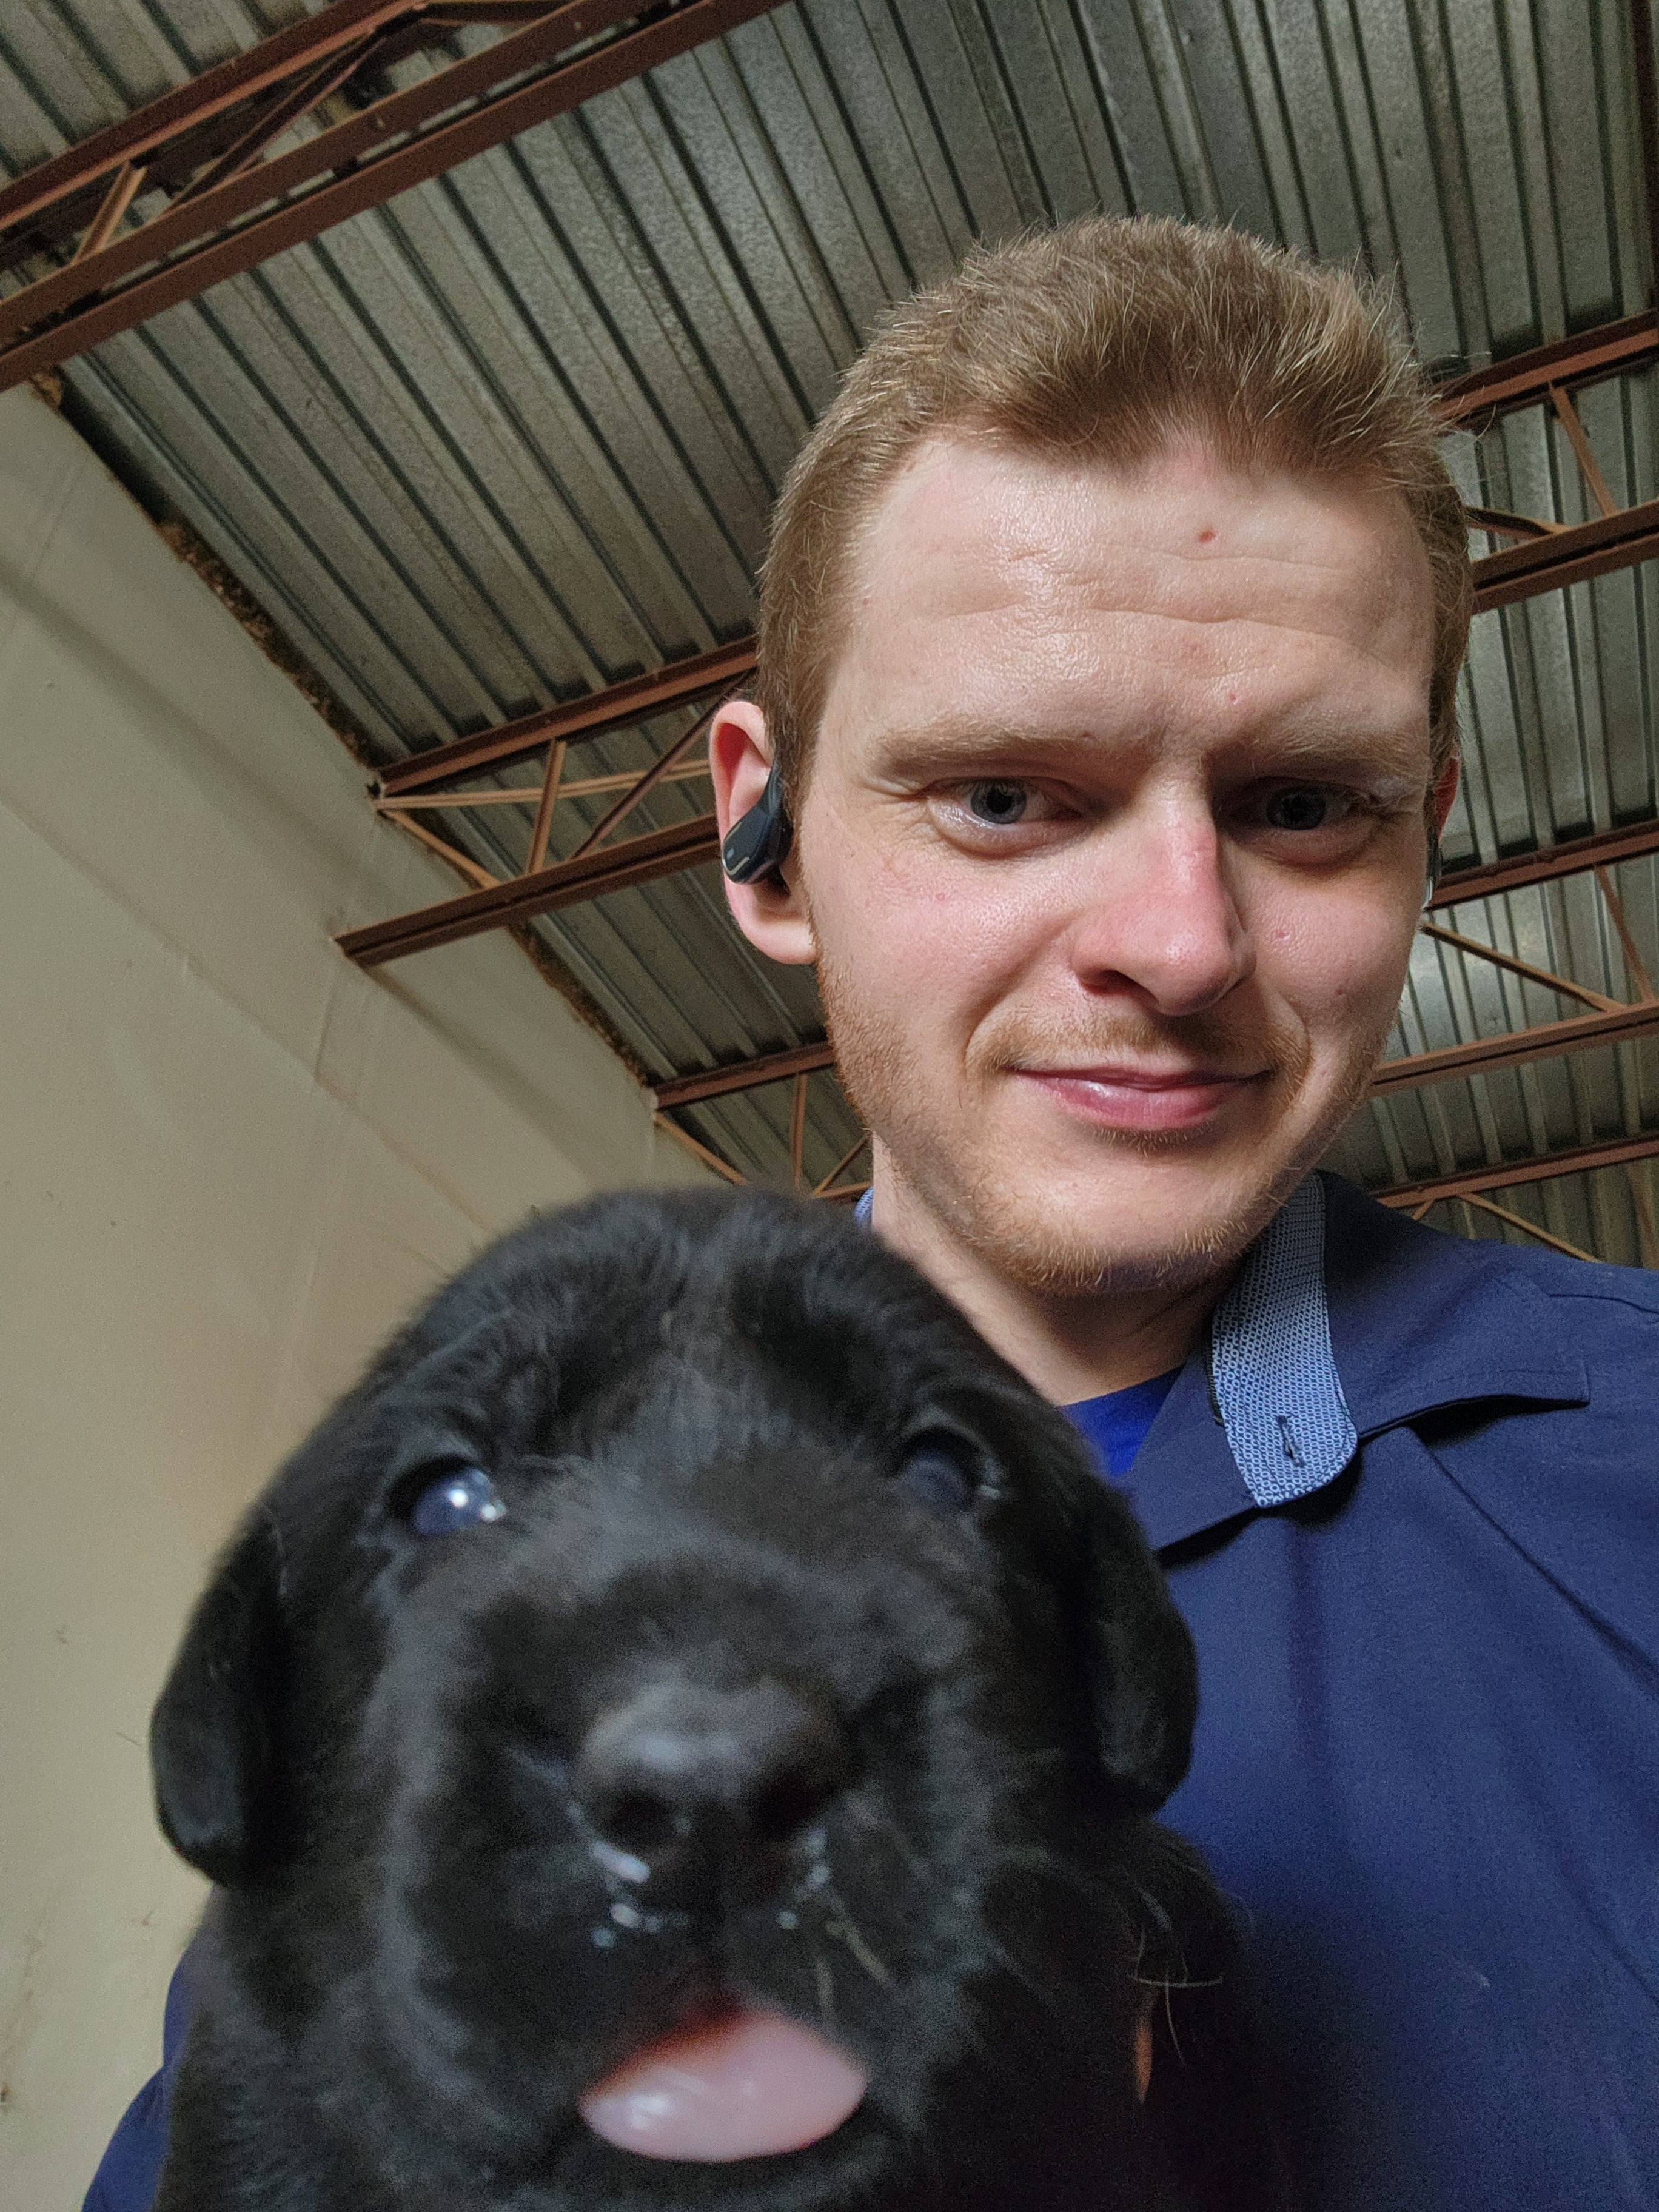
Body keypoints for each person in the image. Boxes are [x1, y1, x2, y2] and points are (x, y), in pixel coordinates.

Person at [89, 219, 1657, 2211]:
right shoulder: (411, 1648)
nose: (1176, 944)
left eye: (1301, 804)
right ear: (767, 830)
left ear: (1428, 820)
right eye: (1007, 796)